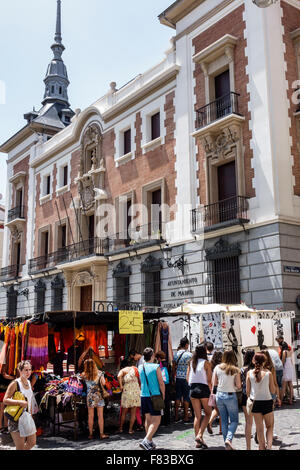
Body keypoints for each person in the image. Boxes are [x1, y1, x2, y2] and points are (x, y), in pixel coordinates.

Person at [3, 360, 36, 451]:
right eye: (26, 370)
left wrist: (31, 415)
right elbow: (5, 400)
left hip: (27, 417)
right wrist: (19, 402)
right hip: (16, 419)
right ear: (20, 370)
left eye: (30, 370)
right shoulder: (15, 383)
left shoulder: (28, 382)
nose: (28, 372)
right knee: (20, 447)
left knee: (32, 442)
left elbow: (29, 400)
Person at [246, 353, 276, 450]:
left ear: (253, 361)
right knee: (270, 426)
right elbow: (273, 391)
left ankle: (262, 447)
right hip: (267, 402)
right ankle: (269, 446)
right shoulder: (268, 373)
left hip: (255, 402)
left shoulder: (249, 373)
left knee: (259, 429)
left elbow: (247, 391)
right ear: (264, 361)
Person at [213, 350, 241, 450]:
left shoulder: (217, 367)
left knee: (224, 420)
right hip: (230, 395)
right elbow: (238, 386)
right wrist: (233, 386)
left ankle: (226, 444)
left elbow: (215, 383)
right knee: (234, 420)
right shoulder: (235, 370)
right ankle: (228, 439)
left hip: (219, 395)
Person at [138, 347, 165, 451]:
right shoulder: (156, 367)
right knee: (157, 420)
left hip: (143, 395)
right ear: (152, 356)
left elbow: (141, 381)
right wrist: (163, 394)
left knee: (148, 419)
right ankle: (146, 439)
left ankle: (149, 441)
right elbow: (161, 383)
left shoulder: (140, 367)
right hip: (155, 395)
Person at [186, 344, 212, 449]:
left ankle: (198, 441)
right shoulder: (206, 363)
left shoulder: (191, 362)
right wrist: (211, 391)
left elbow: (187, 378)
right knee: (208, 413)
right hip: (203, 389)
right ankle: (200, 435)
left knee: (197, 416)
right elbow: (209, 379)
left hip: (192, 389)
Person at [81, 358, 109, 440]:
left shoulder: (84, 374)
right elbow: (104, 383)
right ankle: (101, 434)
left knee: (90, 416)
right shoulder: (100, 373)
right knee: (100, 416)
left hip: (90, 396)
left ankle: (90, 434)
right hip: (98, 395)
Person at [117, 359, 141, 434]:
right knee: (133, 412)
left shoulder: (123, 370)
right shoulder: (135, 369)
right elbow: (140, 380)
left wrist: (121, 386)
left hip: (127, 391)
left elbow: (118, 376)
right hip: (136, 390)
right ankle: (130, 430)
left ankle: (120, 428)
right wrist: (139, 387)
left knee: (124, 411)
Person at [172, 337, 192, 424]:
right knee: (186, 397)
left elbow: (173, 366)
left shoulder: (176, 354)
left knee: (177, 396)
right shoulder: (189, 355)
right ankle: (186, 416)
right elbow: (191, 367)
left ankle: (176, 416)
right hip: (186, 378)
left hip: (178, 377)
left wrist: (173, 376)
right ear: (186, 344)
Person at [240, 349, 255, 450]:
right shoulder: (257, 369)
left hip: (245, 396)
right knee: (258, 420)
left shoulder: (242, 370)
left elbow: (240, 384)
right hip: (256, 396)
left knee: (248, 422)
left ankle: (248, 447)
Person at [207, 351, 223, 435]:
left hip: (214, 388)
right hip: (221, 388)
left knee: (217, 409)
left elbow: (209, 379)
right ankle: (221, 429)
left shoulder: (211, 366)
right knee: (222, 410)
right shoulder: (222, 367)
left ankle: (210, 422)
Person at [155, 351, 170, 426]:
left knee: (162, 403)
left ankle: (162, 420)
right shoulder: (168, 364)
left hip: (162, 384)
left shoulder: (160, 365)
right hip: (168, 385)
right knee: (167, 403)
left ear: (159, 358)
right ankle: (168, 420)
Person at [0, 365, 15, 433]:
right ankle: (2, 426)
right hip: (3, 391)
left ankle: (4, 426)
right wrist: (15, 377)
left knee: (4, 409)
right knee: (3, 409)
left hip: (4, 390)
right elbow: (4, 375)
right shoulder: (4, 363)